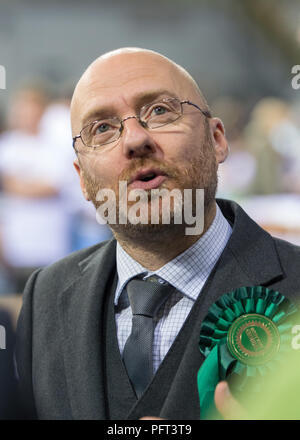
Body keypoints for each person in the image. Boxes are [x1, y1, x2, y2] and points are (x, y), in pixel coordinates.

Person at [16, 48, 300, 420]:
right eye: (102, 128)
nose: (134, 140)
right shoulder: (46, 297)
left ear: (217, 140)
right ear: (82, 180)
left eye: (160, 111)